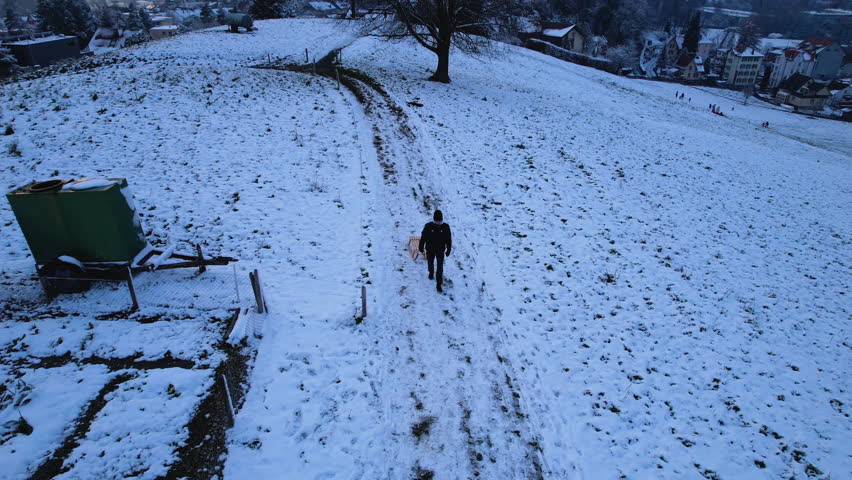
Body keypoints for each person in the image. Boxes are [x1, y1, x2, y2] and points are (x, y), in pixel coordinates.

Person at [418, 210, 452, 292]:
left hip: (440, 250)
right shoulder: (428, 226)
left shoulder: (446, 227)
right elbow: (423, 237)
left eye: (440, 221)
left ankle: (439, 284)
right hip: (430, 249)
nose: (438, 223)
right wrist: (421, 246)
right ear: (434, 219)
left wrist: (448, 249)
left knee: (440, 267)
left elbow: (448, 239)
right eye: (436, 221)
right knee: (430, 262)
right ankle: (431, 272)